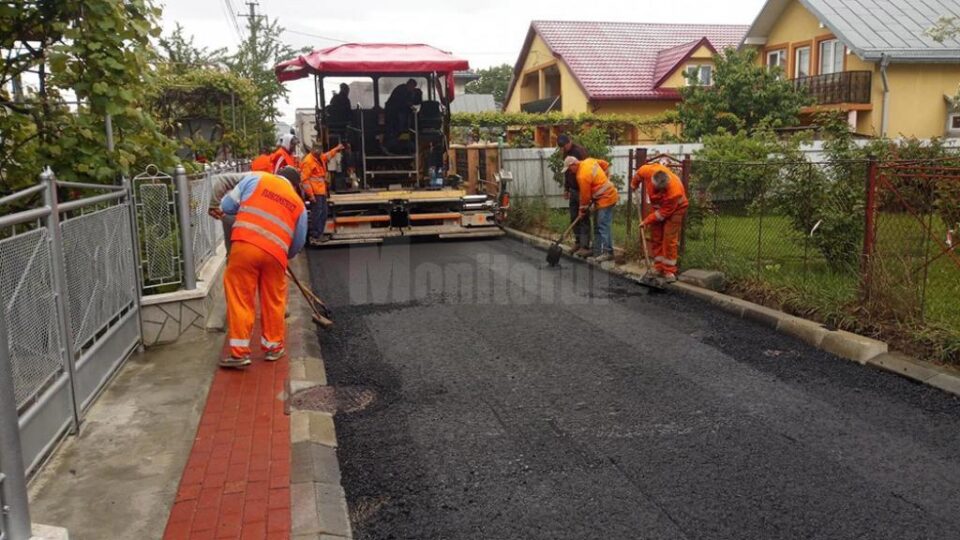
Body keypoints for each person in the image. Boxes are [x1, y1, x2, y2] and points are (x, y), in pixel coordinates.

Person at [218, 168, 307, 368]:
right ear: (294, 185)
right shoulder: (298, 203)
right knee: (274, 300)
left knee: (241, 298)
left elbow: (227, 205)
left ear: (277, 174)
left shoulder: (256, 179)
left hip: (245, 246)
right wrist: (285, 254)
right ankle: (273, 348)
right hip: (276, 255)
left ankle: (240, 353)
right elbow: (299, 241)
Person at [631, 163, 689, 282]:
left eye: (663, 190)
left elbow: (663, 214)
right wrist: (634, 184)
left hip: (677, 209)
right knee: (656, 236)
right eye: (658, 189)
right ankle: (658, 267)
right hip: (659, 208)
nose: (660, 191)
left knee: (669, 239)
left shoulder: (674, 191)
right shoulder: (647, 170)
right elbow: (638, 174)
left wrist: (646, 221)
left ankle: (669, 270)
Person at [565, 156, 618, 262]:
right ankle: (597, 250)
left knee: (603, 226)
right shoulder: (588, 161)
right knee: (597, 225)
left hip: (607, 198)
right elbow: (606, 165)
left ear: (573, 165)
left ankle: (608, 252)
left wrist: (582, 210)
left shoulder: (581, 175)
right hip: (601, 198)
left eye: (569, 169)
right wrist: (606, 179)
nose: (570, 172)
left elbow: (585, 196)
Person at [300, 142, 345, 244]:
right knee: (317, 214)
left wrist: (337, 148)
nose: (319, 153)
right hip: (315, 193)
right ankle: (315, 235)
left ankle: (319, 234)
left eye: (320, 151)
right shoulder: (308, 161)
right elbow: (304, 180)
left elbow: (328, 155)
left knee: (323, 214)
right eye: (317, 151)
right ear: (313, 150)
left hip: (321, 192)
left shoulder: (319, 157)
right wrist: (310, 195)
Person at [557, 134, 590, 257]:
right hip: (573, 190)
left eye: (564, 146)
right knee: (573, 217)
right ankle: (577, 242)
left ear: (569, 142)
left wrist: (584, 195)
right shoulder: (566, 154)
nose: (562, 149)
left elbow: (584, 171)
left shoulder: (579, 152)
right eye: (561, 147)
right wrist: (566, 188)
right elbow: (567, 172)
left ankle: (585, 246)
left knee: (584, 218)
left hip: (582, 189)